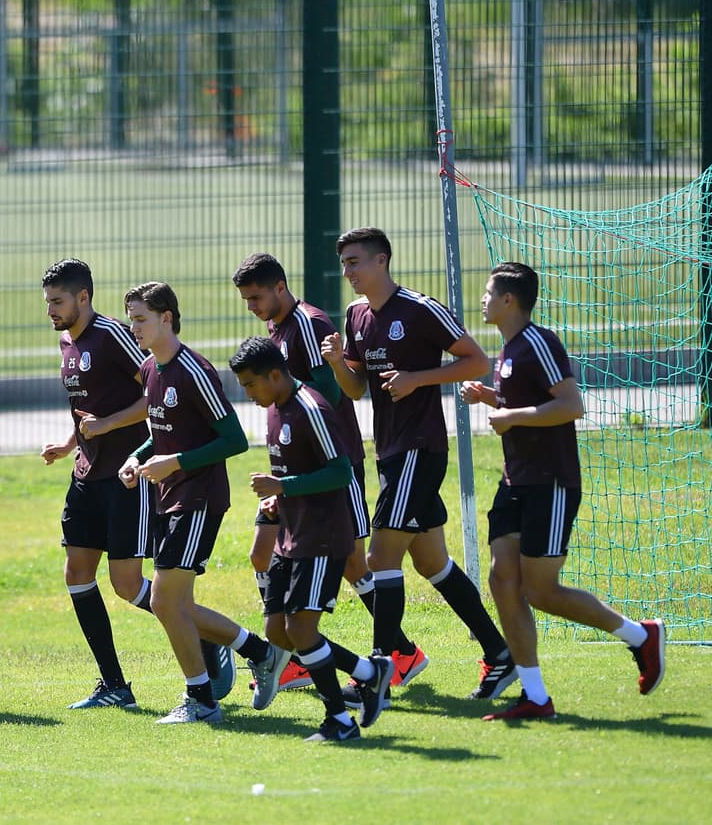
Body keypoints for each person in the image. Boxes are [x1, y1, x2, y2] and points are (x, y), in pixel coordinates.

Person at [459, 262, 666, 719]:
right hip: (516, 480)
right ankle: (535, 697)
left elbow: (571, 406)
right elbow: (525, 404)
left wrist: (510, 416)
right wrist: (492, 399)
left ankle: (640, 636)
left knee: (542, 591)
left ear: (509, 300)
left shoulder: (539, 342)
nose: (483, 300)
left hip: (549, 483)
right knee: (501, 579)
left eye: (488, 293)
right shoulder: (509, 349)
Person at [319, 227, 514, 702]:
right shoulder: (356, 316)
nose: (348, 272)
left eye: (355, 262)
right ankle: (500, 655)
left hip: (419, 449)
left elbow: (476, 362)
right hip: (389, 451)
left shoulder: (419, 309)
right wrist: (337, 366)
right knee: (432, 561)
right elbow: (356, 390)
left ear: (382, 261)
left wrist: (417, 379)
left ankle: (380, 671)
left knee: (379, 557)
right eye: (343, 263)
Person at [40, 259, 235, 709]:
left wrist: (109, 426)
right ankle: (114, 685)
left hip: (126, 477)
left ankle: (205, 636)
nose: (51, 310)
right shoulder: (66, 342)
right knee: (76, 572)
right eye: (48, 302)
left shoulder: (112, 336)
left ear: (83, 297)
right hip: (87, 472)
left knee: (127, 585)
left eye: (57, 301)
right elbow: (85, 407)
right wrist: (71, 442)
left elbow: (152, 395)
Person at [233, 251, 427, 694]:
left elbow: (329, 392)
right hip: (291, 470)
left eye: (256, 297)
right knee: (263, 554)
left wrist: (289, 471)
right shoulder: (276, 328)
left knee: (354, 564)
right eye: (247, 300)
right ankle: (296, 653)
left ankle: (400, 653)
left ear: (280, 287)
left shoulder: (309, 323)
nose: (252, 306)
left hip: (330, 466)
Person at [117, 282, 285, 724]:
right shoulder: (152, 369)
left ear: (167, 318)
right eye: (131, 319)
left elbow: (232, 439)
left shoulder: (193, 369)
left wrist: (174, 463)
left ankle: (202, 700)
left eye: (141, 320)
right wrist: (136, 459)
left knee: (165, 602)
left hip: (199, 498)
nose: (134, 328)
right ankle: (261, 653)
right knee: (174, 604)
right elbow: (163, 430)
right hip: (170, 497)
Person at [230, 336, 394, 740]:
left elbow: (340, 472)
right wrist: (277, 501)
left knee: (302, 630)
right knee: (277, 631)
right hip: (291, 531)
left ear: (274, 375)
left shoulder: (311, 407)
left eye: (251, 385)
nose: (248, 394)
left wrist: (282, 486)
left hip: (322, 536)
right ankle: (371, 672)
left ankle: (339, 721)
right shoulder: (275, 408)